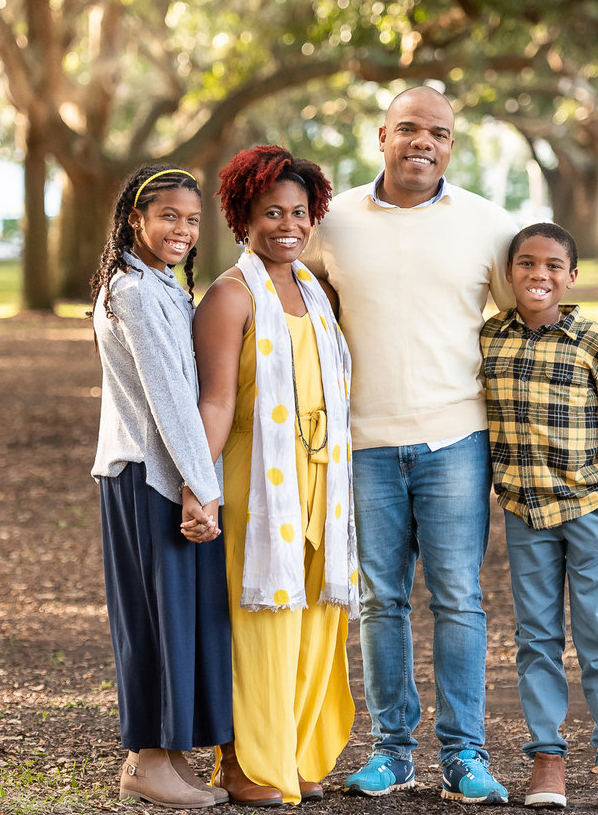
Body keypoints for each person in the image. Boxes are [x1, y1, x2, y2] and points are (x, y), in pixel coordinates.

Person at [301, 85, 517, 804]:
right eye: (411, 130)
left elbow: (526, 323)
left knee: (459, 598)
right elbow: (293, 301)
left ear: (451, 145)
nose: (425, 142)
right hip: (361, 443)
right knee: (379, 599)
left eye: (440, 134)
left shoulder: (488, 224)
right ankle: (393, 749)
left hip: (456, 438)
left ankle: (465, 754)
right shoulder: (331, 221)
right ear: (383, 136)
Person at [194, 145, 358, 807]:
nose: (286, 224)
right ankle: (244, 762)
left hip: (323, 478)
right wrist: (195, 482)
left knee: (318, 613)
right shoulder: (230, 297)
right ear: (242, 217)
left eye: (298, 212)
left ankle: (297, 750)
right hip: (258, 481)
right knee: (261, 617)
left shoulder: (315, 291)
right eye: (270, 212)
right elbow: (215, 401)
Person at [479, 223, 598, 812]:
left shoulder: (594, 339)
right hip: (526, 512)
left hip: (588, 509)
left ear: (571, 277)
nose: (539, 275)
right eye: (526, 264)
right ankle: (547, 761)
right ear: (509, 274)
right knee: (537, 640)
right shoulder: (490, 339)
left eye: (553, 266)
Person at [88, 164, 231, 809]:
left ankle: (167, 758)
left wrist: (199, 483)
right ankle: (147, 762)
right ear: (135, 220)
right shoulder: (137, 292)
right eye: (168, 216)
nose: (182, 230)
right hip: (149, 478)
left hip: (168, 475)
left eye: (192, 220)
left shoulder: (161, 283)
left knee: (176, 622)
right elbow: (169, 399)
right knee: (154, 621)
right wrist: (203, 487)